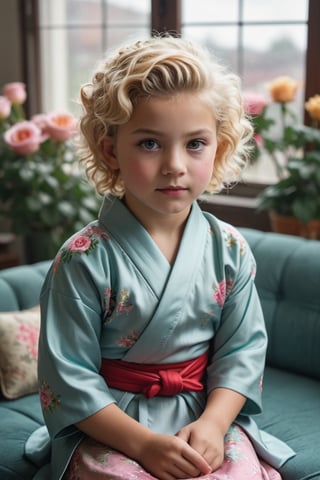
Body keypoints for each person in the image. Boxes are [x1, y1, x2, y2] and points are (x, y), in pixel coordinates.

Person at [26, 35, 295, 480]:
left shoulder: (229, 250)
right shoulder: (82, 260)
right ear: (111, 149)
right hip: (113, 424)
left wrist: (213, 424)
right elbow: (67, 378)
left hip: (205, 415)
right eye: (150, 143)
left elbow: (243, 351)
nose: (174, 164)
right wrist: (144, 446)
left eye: (195, 144)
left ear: (220, 146)